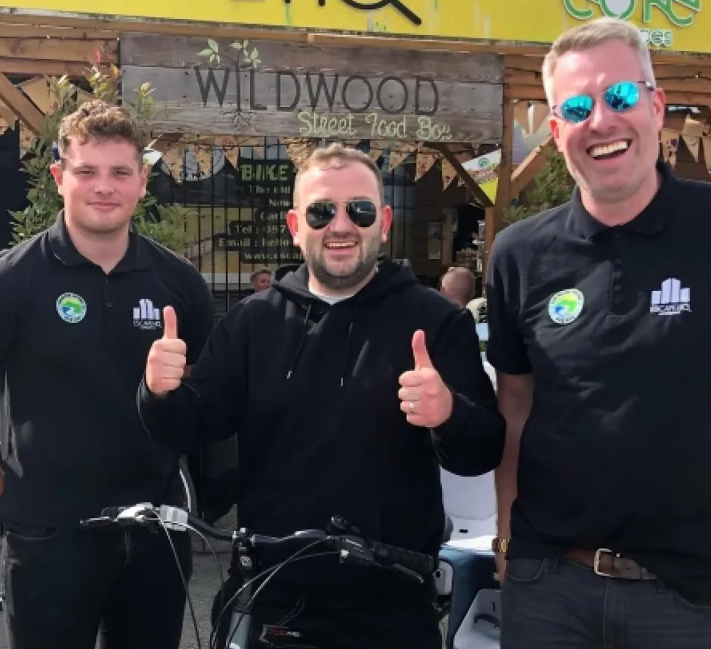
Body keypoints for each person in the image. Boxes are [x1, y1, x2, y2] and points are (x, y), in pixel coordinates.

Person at [486, 16, 711, 649]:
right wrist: (507, 541)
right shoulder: (518, 253)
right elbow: (516, 408)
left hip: (687, 599)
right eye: (578, 106)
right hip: (548, 590)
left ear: (656, 105)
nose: (603, 120)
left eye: (619, 97)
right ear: (557, 129)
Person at [138, 142, 504, 649]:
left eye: (359, 210)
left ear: (384, 221)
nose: (340, 225)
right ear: (294, 225)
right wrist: (158, 392)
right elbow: (191, 428)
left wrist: (449, 414)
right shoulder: (253, 322)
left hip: (393, 603)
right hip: (275, 596)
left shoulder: (438, 322)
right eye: (320, 211)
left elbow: (482, 450)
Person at [0, 99, 214, 649]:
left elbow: (204, 408)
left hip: (154, 536)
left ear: (142, 182)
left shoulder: (180, 285)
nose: (105, 187)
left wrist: (173, 391)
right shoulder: (8, 281)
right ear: (59, 177)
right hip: (48, 541)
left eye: (120, 172)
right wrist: (4, 498)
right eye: (87, 172)